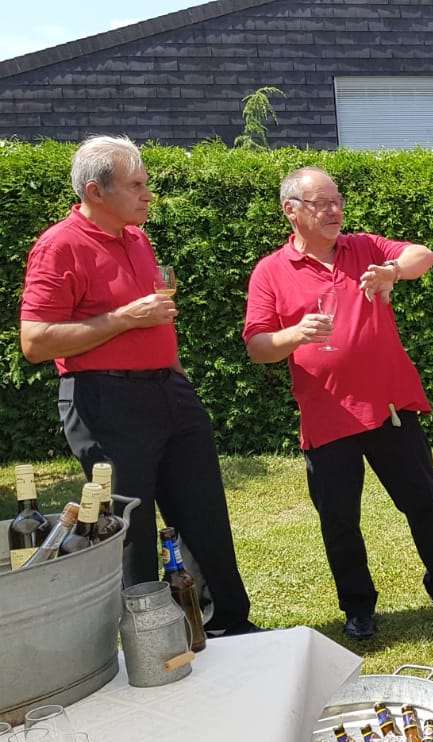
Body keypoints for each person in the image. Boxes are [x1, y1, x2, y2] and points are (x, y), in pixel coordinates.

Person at [19, 135, 260, 636]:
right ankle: (150, 638)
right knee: (131, 524)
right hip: (104, 399)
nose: (149, 194)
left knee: (203, 512)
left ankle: (227, 625)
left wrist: (175, 375)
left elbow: (153, 319)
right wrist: (125, 318)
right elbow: (36, 341)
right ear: (95, 191)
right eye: (136, 185)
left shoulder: (136, 238)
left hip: (168, 391)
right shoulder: (58, 246)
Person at [243, 167, 433, 640]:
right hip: (327, 414)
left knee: (422, 502)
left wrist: (392, 271)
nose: (334, 210)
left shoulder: (364, 248)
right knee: (339, 518)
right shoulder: (271, 272)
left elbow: (424, 255)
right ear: (291, 210)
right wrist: (295, 334)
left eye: (337, 200)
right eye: (321, 203)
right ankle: (358, 609)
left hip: (388, 406)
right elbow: (257, 346)